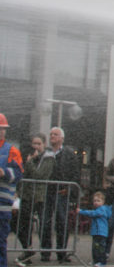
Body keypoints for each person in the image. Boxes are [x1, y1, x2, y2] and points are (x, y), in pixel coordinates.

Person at [41, 126, 80, 263]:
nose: (52, 136)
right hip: (46, 191)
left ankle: (61, 252)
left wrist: (69, 189)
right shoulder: (45, 153)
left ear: (62, 138)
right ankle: (45, 252)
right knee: (45, 222)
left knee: (62, 222)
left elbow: (75, 173)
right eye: (51, 134)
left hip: (61, 192)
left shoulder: (69, 154)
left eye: (55, 134)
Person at [16, 133, 54, 265]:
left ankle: (46, 253)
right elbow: (23, 174)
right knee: (22, 223)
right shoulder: (30, 156)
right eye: (34, 144)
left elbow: (39, 175)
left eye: (39, 144)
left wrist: (30, 162)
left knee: (44, 225)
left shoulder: (48, 158)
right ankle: (28, 249)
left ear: (44, 144)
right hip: (26, 194)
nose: (36, 147)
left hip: (39, 196)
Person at [0, 113, 22, 267]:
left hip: (2, 204)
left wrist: (5, 173)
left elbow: (19, 172)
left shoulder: (11, 150)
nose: (1, 131)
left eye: (3, 128)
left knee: (0, 239)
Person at [77, 191, 112, 267]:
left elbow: (92, 213)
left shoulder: (102, 209)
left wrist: (81, 211)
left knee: (101, 249)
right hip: (96, 232)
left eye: (98, 201)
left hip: (101, 233)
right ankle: (96, 261)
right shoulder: (98, 209)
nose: (96, 202)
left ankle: (102, 262)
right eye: (95, 201)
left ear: (103, 202)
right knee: (95, 248)